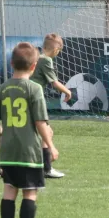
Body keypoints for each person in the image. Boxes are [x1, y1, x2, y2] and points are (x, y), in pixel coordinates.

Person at [0, 42, 59, 218]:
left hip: (7, 152)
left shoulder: (2, 88)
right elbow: (40, 122)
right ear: (34, 66)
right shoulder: (35, 88)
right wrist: (51, 146)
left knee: (8, 190)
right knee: (30, 192)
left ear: (12, 63)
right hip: (28, 152)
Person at [30, 33, 71, 179]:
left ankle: (42, 165)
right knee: (46, 133)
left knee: (44, 133)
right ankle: (46, 168)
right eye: (59, 50)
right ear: (55, 49)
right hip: (34, 101)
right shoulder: (46, 60)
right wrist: (67, 91)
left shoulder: (36, 57)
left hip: (28, 99)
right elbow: (54, 83)